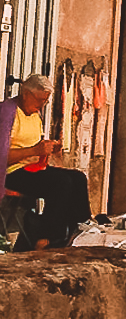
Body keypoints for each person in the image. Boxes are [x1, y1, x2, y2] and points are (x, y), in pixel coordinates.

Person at [0, 74, 92, 248]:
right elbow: (2, 156)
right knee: (60, 183)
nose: (41, 105)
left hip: (32, 168)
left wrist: (49, 148)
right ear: (26, 94)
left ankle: (79, 229)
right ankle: (47, 238)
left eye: (45, 101)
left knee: (78, 178)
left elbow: (37, 145)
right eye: (39, 100)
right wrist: (34, 150)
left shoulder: (35, 115)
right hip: (11, 172)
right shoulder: (7, 113)